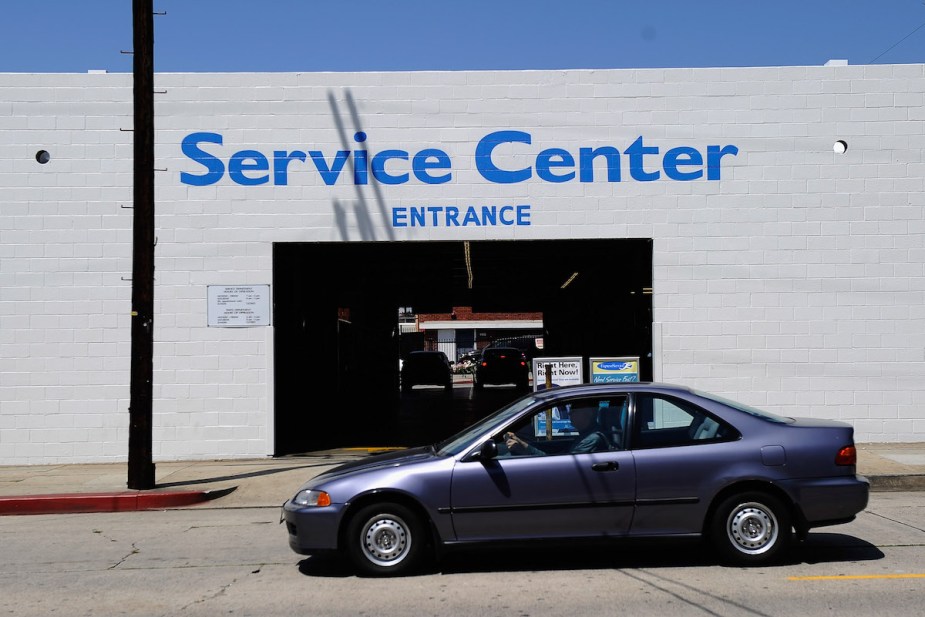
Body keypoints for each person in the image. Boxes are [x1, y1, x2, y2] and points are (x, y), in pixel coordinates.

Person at [504, 406, 609, 455]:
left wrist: (525, 447)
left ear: (588, 413)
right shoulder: (583, 435)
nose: (569, 414)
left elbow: (565, 466)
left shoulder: (591, 439)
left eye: (574, 411)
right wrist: (525, 444)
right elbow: (557, 450)